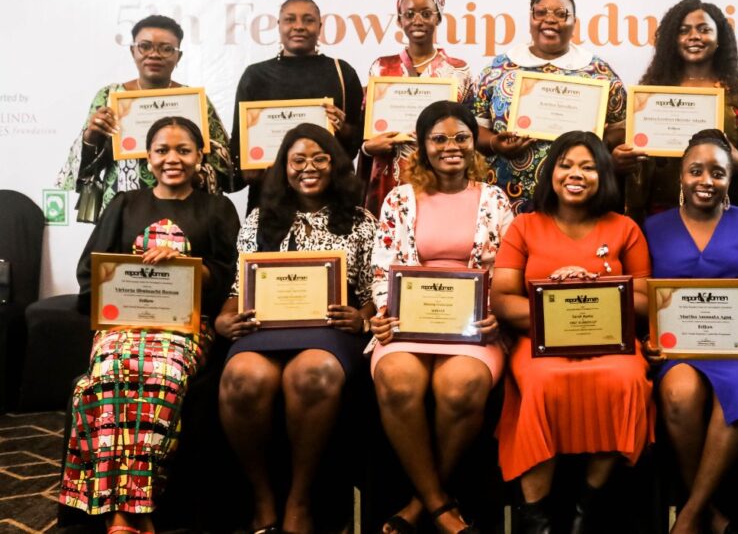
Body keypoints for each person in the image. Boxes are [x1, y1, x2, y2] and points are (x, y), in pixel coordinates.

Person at [60, 117, 240, 533]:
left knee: (160, 374)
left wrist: (191, 271)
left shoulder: (217, 208)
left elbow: (233, 274)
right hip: (122, 328)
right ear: (148, 157)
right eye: (162, 150)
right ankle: (122, 511)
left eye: (183, 150)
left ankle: (131, 510)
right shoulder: (124, 203)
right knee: (105, 376)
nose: (172, 159)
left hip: (185, 330)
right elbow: (90, 272)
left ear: (200, 157)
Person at [216, 123, 376, 534]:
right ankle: (262, 498)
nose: (309, 167)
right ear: (283, 168)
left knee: (311, 373)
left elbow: (376, 288)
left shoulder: (360, 220)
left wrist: (362, 316)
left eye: (320, 158)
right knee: (242, 378)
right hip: (264, 329)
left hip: (331, 329)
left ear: (336, 164)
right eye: (298, 159)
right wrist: (223, 318)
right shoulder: (259, 220)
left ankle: (300, 500)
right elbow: (238, 287)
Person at [491, 131, 652, 533]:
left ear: (603, 174)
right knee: (544, 384)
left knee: (627, 379)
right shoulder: (525, 226)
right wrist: (554, 307)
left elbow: (649, 300)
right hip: (540, 342)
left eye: (588, 166)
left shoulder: (625, 228)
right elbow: (503, 299)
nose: (575, 174)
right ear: (551, 173)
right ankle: (536, 518)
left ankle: (586, 507)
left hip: (609, 340)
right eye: (566, 165)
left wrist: (593, 286)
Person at [369, 100, 513, 534]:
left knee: (461, 386)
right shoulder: (399, 198)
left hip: (474, 326)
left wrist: (497, 317)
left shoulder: (494, 198)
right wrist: (381, 312)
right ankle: (438, 503)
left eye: (461, 137)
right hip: (406, 323)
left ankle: (419, 504)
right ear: (423, 146)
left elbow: (507, 270)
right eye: (439, 139)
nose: (451, 146)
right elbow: (382, 266)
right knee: (399, 381)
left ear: (474, 144)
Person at [642, 129, 738, 534]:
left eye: (718, 173)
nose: (706, 181)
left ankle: (690, 516)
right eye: (696, 171)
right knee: (677, 393)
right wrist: (648, 340)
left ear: (731, 180)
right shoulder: (653, 228)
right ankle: (709, 512)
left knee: (737, 393)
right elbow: (644, 300)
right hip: (682, 345)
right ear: (681, 175)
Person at [56, 15, 234, 221]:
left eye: (166, 48)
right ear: (133, 51)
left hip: (184, 207)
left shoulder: (193, 101)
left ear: (179, 56)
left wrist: (197, 175)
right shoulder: (109, 96)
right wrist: (92, 135)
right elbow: (83, 166)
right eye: (145, 46)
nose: (154, 55)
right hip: (124, 207)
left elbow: (223, 159)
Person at [473, 0, 626, 214]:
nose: (550, 19)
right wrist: (495, 143)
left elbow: (621, 127)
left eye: (561, 13)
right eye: (540, 12)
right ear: (530, 17)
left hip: (578, 198)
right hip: (507, 197)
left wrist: (597, 143)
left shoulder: (599, 72)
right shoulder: (498, 68)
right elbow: (474, 126)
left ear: (574, 21)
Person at [614, 0, 738, 224]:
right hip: (657, 214)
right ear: (672, 41)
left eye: (704, 30)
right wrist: (619, 160)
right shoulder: (651, 93)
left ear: (719, 40)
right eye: (683, 31)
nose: (694, 36)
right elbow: (629, 149)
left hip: (723, 214)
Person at [230, 0, 364, 212]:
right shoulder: (255, 76)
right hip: (270, 198)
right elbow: (238, 141)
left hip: (329, 198)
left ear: (319, 27)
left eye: (308, 20)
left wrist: (344, 128)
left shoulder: (342, 72)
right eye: (290, 19)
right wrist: (248, 168)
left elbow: (357, 142)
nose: (299, 26)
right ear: (279, 25)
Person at [361, 0, 475, 216]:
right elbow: (366, 131)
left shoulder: (458, 71)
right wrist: (369, 147)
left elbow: (469, 135)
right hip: (389, 177)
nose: (417, 21)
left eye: (426, 13)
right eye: (409, 14)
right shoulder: (381, 68)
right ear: (400, 20)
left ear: (439, 16)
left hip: (442, 178)